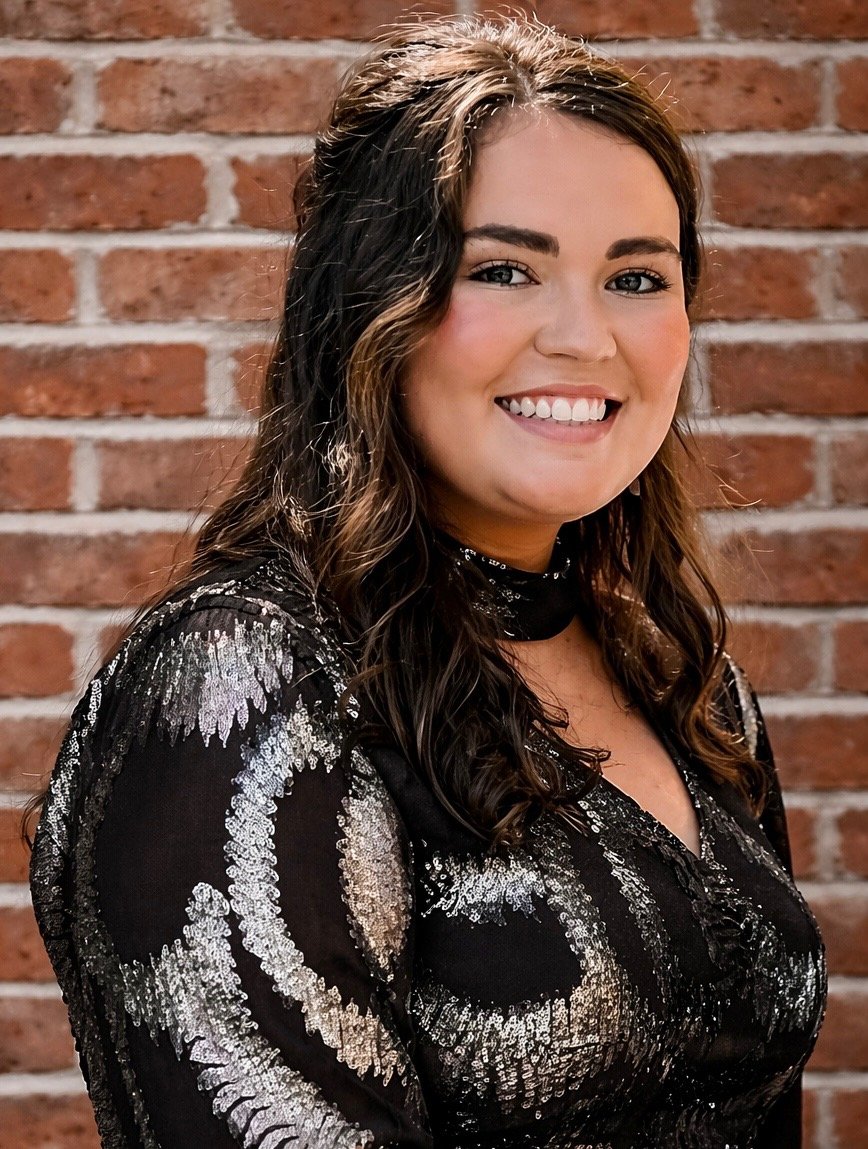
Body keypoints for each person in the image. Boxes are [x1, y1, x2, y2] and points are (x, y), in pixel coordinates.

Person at [28, 15, 826, 1148]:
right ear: (370, 307)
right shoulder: (239, 686)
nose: (587, 338)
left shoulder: (682, 680)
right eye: (503, 268)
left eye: (636, 276)